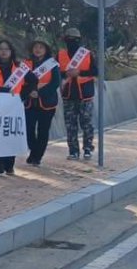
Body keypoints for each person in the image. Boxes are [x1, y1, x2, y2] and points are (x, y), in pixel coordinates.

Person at [0, 39, 27, 176]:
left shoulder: (19, 67)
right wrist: (6, 91)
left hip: (14, 107)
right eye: (1, 49)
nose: (3, 52)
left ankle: (9, 166)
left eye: (6, 49)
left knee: (10, 134)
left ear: (11, 51)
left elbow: (32, 81)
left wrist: (23, 96)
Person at [58, 27, 96, 160]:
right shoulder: (61, 55)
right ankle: (73, 151)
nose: (72, 42)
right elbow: (55, 73)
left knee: (87, 123)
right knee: (70, 125)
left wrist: (79, 72)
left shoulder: (87, 54)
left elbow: (95, 71)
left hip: (85, 95)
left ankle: (88, 148)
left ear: (79, 40)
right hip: (68, 95)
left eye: (74, 39)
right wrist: (66, 74)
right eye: (69, 39)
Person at [23, 40, 61, 166]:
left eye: (41, 47)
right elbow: (21, 81)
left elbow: (55, 83)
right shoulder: (26, 64)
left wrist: (39, 93)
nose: (38, 49)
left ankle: (37, 156)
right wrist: (30, 91)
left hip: (47, 102)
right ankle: (34, 151)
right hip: (30, 102)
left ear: (46, 50)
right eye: (35, 47)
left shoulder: (52, 64)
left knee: (43, 131)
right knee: (28, 130)